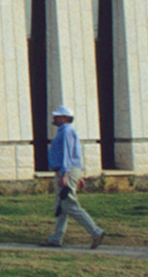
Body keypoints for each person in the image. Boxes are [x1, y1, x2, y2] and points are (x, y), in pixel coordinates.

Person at [40, 105, 105, 249]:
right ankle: (56, 238)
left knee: (69, 204)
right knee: (61, 206)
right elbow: (75, 154)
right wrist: (77, 174)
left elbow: (67, 153)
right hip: (69, 171)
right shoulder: (65, 131)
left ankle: (95, 232)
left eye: (57, 116)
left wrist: (65, 174)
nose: (54, 118)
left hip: (65, 171)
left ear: (64, 118)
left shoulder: (66, 131)